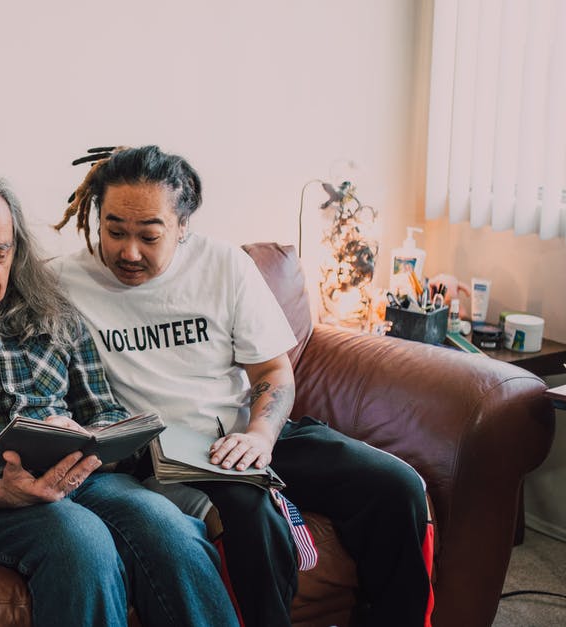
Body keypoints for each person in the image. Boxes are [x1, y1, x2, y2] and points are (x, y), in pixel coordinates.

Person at [50, 145, 434, 627]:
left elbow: (273, 372)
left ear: (183, 225)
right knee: (251, 520)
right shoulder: (62, 282)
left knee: (395, 486)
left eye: (149, 235)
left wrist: (259, 436)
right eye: (114, 231)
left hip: (247, 432)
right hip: (164, 455)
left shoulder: (225, 265)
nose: (128, 251)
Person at [0, 170, 238, 627]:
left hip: (83, 479)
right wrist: (0, 492)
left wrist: (89, 440)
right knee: (80, 542)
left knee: (168, 528)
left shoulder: (50, 311)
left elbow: (104, 411)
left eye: (0, 253)